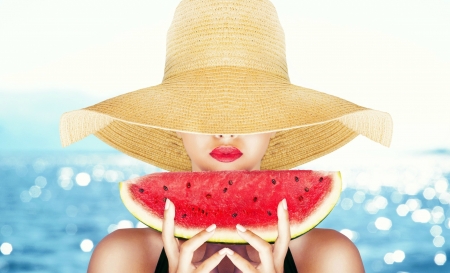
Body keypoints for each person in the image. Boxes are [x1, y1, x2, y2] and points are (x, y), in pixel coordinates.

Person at [60, 0, 393, 272]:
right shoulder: (121, 259)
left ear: (277, 124)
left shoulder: (330, 259)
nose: (225, 130)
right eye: (203, 108)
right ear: (174, 123)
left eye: (248, 109)